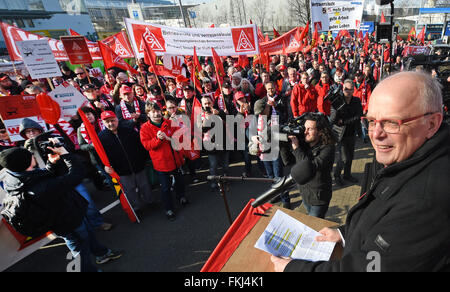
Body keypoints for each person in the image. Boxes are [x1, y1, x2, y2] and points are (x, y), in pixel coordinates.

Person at [272, 71, 450, 272]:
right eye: (372, 121)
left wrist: (293, 269)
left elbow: (370, 267)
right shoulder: (405, 154)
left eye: (392, 123)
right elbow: (379, 218)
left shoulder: (425, 202)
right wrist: (344, 233)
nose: (375, 134)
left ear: (432, 123)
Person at [0, 145, 121, 272]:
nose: (32, 154)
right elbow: (77, 173)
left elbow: (41, 177)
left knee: (88, 234)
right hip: (67, 222)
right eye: (29, 154)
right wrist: (66, 155)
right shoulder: (40, 187)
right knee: (79, 250)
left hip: (71, 213)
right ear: (24, 162)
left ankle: (102, 253)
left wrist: (50, 164)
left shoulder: (16, 176)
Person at [140, 101, 188, 221]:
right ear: (148, 114)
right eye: (153, 112)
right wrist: (158, 139)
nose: (156, 114)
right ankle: (169, 208)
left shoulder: (170, 123)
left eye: (158, 111)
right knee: (165, 187)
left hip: (175, 160)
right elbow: (146, 145)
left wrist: (170, 138)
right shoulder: (144, 128)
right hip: (161, 163)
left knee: (180, 181)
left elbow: (180, 138)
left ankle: (181, 196)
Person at [98, 111, 153, 213]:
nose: (111, 123)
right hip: (121, 171)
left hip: (138, 165)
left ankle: (150, 202)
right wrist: (104, 166)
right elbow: (99, 156)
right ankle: (136, 208)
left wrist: (145, 159)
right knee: (130, 191)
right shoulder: (101, 137)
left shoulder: (128, 130)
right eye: (107, 122)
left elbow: (140, 145)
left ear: (117, 119)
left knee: (145, 186)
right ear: (103, 123)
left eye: (112, 120)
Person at [288, 113, 335, 218]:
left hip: (318, 199)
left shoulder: (328, 149)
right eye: (305, 128)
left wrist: (297, 149)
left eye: (310, 129)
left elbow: (308, 168)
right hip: (304, 194)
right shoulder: (305, 142)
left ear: (320, 132)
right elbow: (287, 161)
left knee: (315, 226)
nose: (305, 132)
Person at [331, 79, 363, 186]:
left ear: (353, 90)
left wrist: (344, 121)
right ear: (342, 89)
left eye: (350, 89)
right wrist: (336, 110)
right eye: (346, 89)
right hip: (341, 134)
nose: (348, 91)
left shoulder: (356, 101)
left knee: (351, 155)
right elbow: (334, 120)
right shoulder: (338, 101)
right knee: (343, 158)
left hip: (352, 132)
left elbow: (358, 116)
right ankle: (336, 176)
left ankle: (347, 174)